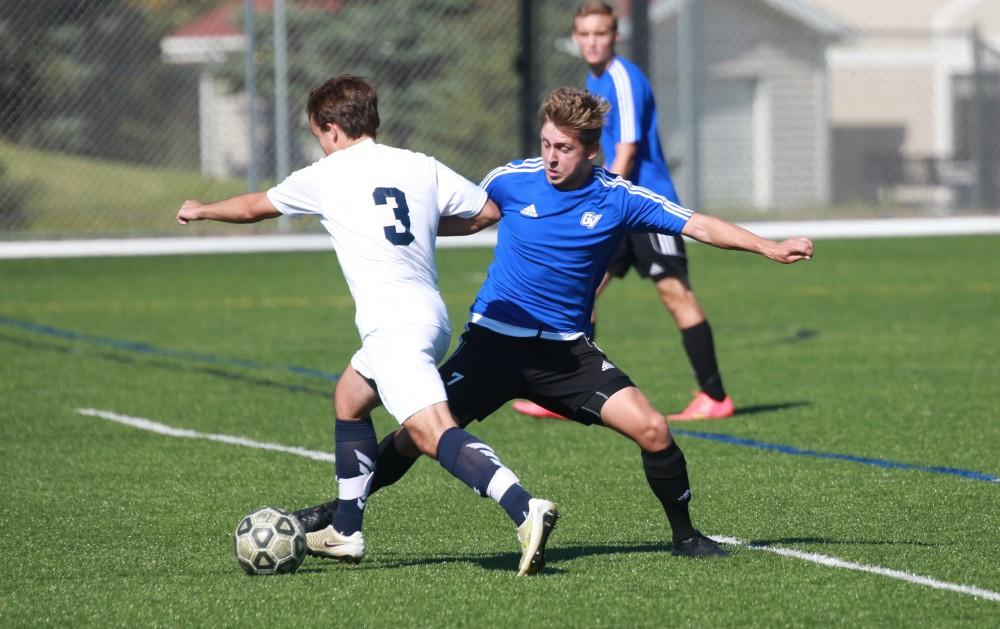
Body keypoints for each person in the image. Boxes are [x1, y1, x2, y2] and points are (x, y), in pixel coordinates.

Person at [295, 86, 813, 559]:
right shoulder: (512, 180)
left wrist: (769, 246)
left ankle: (686, 536)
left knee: (654, 430)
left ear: (591, 151)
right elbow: (467, 218)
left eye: (562, 149)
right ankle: (339, 515)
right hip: (492, 345)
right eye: (545, 143)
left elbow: (696, 223)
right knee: (417, 434)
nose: (550, 158)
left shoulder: (620, 198)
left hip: (566, 356)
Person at [176, 75, 557, 577]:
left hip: (393, 324)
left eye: (317, 134)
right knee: (350, 397)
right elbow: (485, 212)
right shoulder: (419, 165)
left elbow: (253, 208)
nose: (320, 143)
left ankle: (522, 506)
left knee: (431, 431)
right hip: (427, 316)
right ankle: (347, 529)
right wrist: (422, 224)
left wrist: (202, 209)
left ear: (331, 129)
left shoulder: (326, 175)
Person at [514, 0, 733, 421]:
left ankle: (715, 397)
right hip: (614, 209)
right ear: (577, 39)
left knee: (675, 294)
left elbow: (628, 150)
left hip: (644, 207)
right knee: (582, 290)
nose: (593, 42)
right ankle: (567, 392)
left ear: (615, 36)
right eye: (586, 34)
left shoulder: (623, 79)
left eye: (601, 33)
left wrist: (592, 200)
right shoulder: (593, 77)